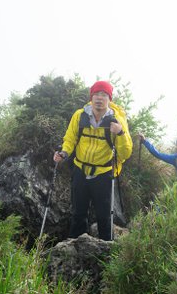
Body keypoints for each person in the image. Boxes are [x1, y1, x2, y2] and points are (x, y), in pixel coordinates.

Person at [53, 80, 133, 241]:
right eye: (96, 94)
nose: (99, 98)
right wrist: (64, 153)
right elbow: (70, 138)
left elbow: (125, 153)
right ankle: (73, 248)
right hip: (80, 171)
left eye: (103, 95)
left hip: (103, 174)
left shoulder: (117, 120)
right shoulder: (79, 115)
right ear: (91, 97)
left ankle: (106, 252)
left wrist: (120, 133)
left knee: (104, 215)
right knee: (78, 213)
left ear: (109, 99)